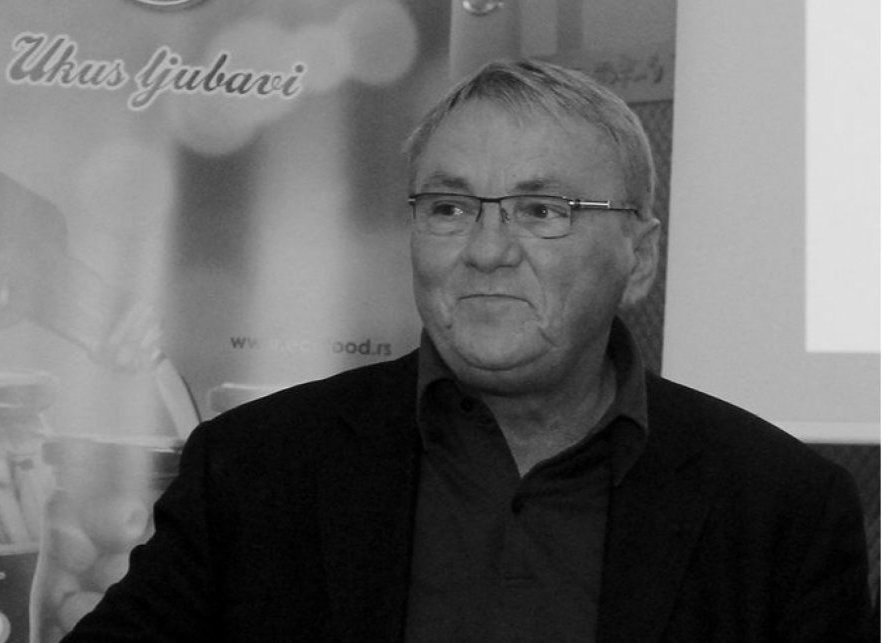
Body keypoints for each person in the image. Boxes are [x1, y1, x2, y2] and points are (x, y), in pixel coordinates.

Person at [60, 58, 871, 643]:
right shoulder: (253, 467)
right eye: (449, 208)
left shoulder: (781, 508)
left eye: (542, 211)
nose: (486, 250)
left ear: (641, 258)